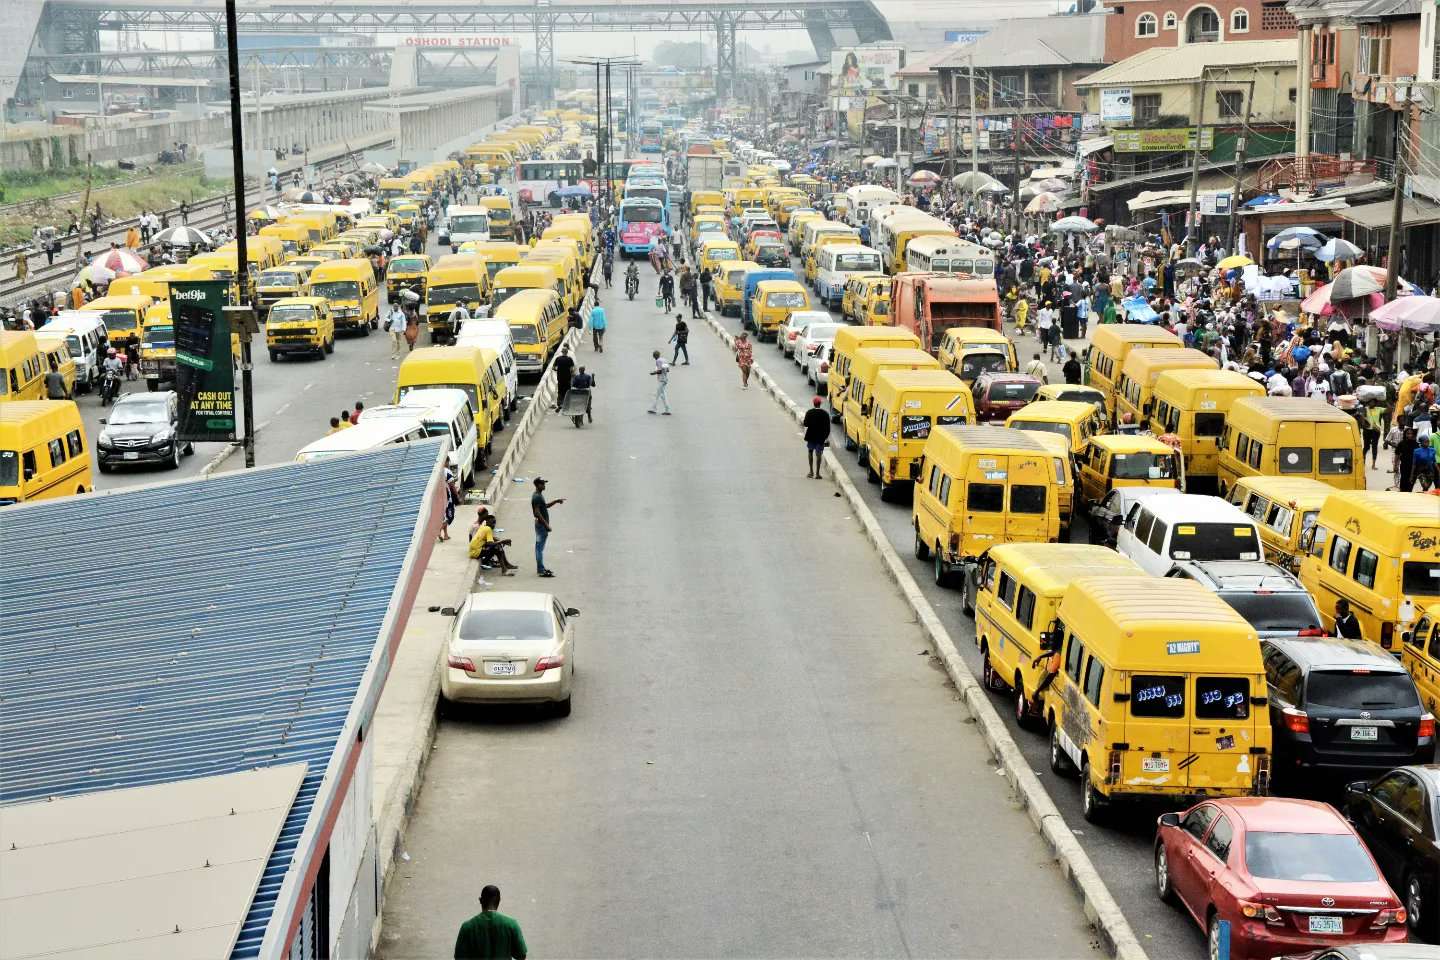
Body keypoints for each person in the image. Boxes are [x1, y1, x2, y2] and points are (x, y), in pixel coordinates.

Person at [453, 884, 527, 960]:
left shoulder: (467, 927)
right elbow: (521, 955)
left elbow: (459, 957)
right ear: (499, 900)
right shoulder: (511, 924)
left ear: (480, 900)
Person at [531, 477, 563, 578]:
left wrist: (556, 501)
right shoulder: (536, 497)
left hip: (540, 525)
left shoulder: (539, 495)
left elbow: (545, 506)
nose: (544, 485)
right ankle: (540, 570)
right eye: (542, 484)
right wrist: (546, 525)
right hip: (541, 526)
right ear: (537, 485)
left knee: (539, 548)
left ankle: (541, 568)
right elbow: (537, 513)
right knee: (539, 549)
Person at [802, 395, 830, 479]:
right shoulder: (825, 414)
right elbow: (828, 428)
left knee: (810, 452)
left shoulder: (809, 412)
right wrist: (825, 437)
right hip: (820, 437)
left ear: (813, 404)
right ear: (820, 404)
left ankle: (811, 472)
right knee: (819, 454)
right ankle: (817, 474)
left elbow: (805, 424)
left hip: (811, 436)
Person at [648, 350, 672, 415]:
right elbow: (668, 370)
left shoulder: (658, 361)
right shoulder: (664, 360)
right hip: (665, 379)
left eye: (653, 356)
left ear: (655, 356)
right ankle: (667, 410)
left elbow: (659, 371)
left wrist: (653, 373)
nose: (653, 357)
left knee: (657, 394)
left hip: (661, 380)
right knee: (663, 395)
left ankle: (653, 409)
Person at [553, 345, 575, 412]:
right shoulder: (570, 359)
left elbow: (553, 367)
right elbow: (572, 369)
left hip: (560, 378)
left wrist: (557, 370)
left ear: (562, 352)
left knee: (560, 391)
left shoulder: (558, 359)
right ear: (567, 352)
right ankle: (567, 405)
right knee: (567, 391)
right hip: (567, 378)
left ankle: (559, 405)